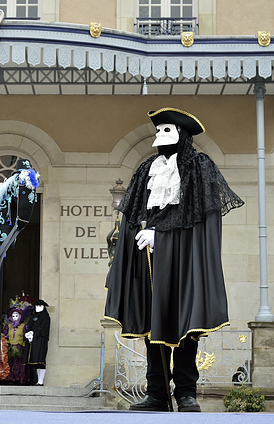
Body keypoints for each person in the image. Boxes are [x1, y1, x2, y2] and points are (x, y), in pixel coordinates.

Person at [105, 107, 244, 412]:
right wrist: (136, 235)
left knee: (184, 323)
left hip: (182, 260)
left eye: (165, 130)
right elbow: (134, 210)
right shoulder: (146, 169)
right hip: (149, 259)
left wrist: (162, 237)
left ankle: (185, 392)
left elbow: (197, 220)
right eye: (157, 131)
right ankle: (156, 392)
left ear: (181, 134)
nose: (158, 136)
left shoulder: (198, 167)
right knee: (151, 324)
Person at [25, 299, 50, 386]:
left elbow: (44, 329)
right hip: (33, 341)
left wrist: (35, 334)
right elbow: (29, 325)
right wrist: (29, 333)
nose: (38, 308)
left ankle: (41, 381)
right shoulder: (33, 317)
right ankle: (37, 380)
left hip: (41, 341)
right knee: (34, 359)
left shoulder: (46, 317)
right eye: (37, 306)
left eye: (40, 306)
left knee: (41, 360)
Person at [2, 307, 29, 384]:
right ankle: (11, 379)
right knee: (11, 363)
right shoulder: (8, 326)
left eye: (16, 316)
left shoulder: (24, 326)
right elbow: (5, 335)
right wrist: (7, 344)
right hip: (10, 347)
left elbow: (25, 337)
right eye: (13, 316)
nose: (15, 318)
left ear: (20, 316)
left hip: (20, 347)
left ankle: (20, 379)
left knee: (19, 363)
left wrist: (23, 345)